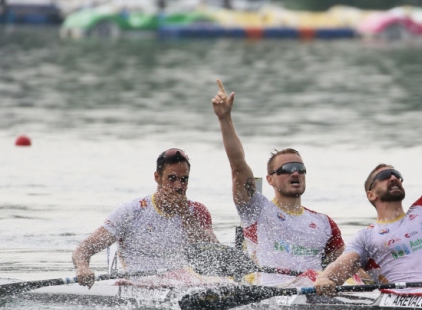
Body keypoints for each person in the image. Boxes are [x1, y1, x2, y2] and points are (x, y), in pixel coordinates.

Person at [314, 82, 422, 292]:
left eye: (397, 175)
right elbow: (343, 265)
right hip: (403, 304)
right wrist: (326, 278)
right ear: (370, 194)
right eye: (384, 175)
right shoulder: (366, 237)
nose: (393, 177)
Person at [212, 80, 343, 277]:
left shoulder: (325, 223)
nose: (295, 173)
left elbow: (347, 268)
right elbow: (238, 166)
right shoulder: (256, 209)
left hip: (314, 295)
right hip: (271, 294)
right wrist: (225, 119)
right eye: (286, 169)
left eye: (300, 168)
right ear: (270, 180)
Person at [72, 148, 218, 287]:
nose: (179, 186)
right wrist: (83, 267)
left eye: (184, 179)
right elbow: (83, 249)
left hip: (186, 283)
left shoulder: (197, 211)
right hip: (140, 285)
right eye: (172, 178)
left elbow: (214, 256)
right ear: (157, 177)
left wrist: (185, 214)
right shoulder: (131, 211)